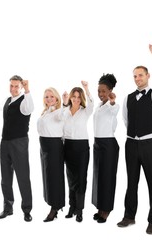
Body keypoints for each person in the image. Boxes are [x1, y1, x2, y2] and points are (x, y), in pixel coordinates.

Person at [117, 44, 152, 235]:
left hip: (149, 145)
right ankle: (129, 216)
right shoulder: (128, 98)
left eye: (141, 75)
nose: (137, 78)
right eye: (135, 76)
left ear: (148, 76)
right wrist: (133, 135)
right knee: (131, 181)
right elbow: (126, 120)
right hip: (131, 144)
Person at [0, 75, 34, 222]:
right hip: (5, 143)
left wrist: (27, 90)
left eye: (16, 86)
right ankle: (8, 207)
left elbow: (30, 108)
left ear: (20, 87)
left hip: (19, 143)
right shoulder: (8, 100)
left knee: (23, 177)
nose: (13, 89)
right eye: (11, 86)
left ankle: (27, 210)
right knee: (5, 178)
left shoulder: (25, 101)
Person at [62, 81, 94, 222]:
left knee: (81, 178)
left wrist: (86, 89)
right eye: (73, 96)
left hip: (82, 148)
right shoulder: (65, 111)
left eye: (78, 97)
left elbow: (92, 102)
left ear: (81, 98)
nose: (76, 99)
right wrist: (63, 103)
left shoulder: (85, 111)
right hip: (68, 146)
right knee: (70, 178)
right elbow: (59, 122)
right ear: (70, 97)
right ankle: (71, 207)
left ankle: (79, 210)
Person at [92, 74, 119, 223]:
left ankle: (106, 210)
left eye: (104, 91)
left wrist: (113, 101)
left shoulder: (113, 105)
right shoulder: (99, 106)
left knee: (107, 177)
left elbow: (114, 109)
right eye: (99, 91)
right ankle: (100, 207)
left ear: (110, 91)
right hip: (97, 144)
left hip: (108, 145)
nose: (101, 94)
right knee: (98, 177)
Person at [37, 87, 65, 222]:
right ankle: (52, 203)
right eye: (46, 96)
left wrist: (65, 103)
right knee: (47, 176)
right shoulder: (45, 112)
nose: (49, 99)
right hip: (44, 147)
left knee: (54, 177)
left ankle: (55, 207)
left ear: (57, 98)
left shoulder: (59, 111)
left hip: (54, 146)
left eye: (51, 96)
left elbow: (61, 116)